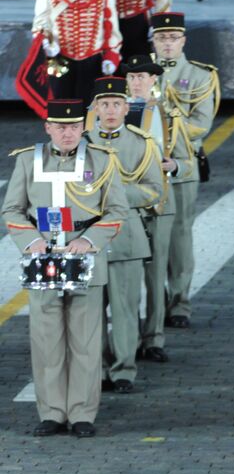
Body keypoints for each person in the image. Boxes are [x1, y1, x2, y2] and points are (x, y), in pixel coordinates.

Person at [2, 99, 128, 437]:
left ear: (83, 127)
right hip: (42, 260)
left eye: (73, 126)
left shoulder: (102, 160)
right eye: (60, 126)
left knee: (86, 340)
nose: (67, 133)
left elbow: (117, 209)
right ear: (47, 128)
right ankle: (52, 412)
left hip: (85, 255)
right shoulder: (29, 160)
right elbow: (12, 210)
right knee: (46, 340)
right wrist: (32, 241)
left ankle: (82, 413)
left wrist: (89, 241)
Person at [86, 76, 164, 393]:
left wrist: (113, 196)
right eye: (104, 104)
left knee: (124, 309)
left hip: (125, 238)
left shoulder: (141, 143)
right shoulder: (80, 142)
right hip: (87, 239)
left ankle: (123, 371)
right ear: (95, 108)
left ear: (126, 106)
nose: (111, 110)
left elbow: (154, 192)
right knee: (91, 311)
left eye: (117, 104)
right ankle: (100, 368)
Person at [151, 11, 220, 328]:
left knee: (179, 238)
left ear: (183, 41)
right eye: (162, 38)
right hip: (145, 167)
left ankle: (179, 302)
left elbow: (201, 126)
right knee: (150, 240)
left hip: (181, 165)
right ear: (153, 41)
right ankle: (154, 303)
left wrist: (166, 124)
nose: (167, 44)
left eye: (173, 38)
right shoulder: (139, 75)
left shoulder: (199, 76)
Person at [123, 53, 175, 363]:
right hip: (126, 204)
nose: (137, 82)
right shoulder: (112, 111)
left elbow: (182, 153)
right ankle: (124, 339)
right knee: (123, 278)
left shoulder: (166, 112)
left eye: (143, 77)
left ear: (154, 79)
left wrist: (176, 165)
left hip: (157, 199)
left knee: (155, 275)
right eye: (132, 77)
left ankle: (153, 338)